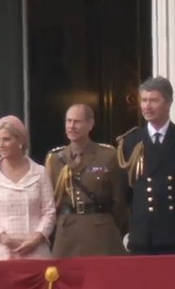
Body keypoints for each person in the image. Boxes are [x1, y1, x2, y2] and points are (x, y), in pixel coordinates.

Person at [116, 76, 175, 255]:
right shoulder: (130, 141)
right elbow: (125, 190)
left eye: (154, 100)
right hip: (144, 233)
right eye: (144, 100)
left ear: (169, 103)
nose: (147, 106)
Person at [45, 104, 128, 258]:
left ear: (90, 124)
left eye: (77, 121)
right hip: (66, 235)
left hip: (100, 232)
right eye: (68, 121)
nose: (71, 126)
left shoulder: (108, 156)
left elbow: (120, 201)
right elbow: (50, 201)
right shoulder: (55, 159)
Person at [0, 115, 56, 261]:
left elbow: (49, 212)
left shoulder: (40, 172)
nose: (1, 145)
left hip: (36, 251)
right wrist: (5, 239)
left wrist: (36, 238)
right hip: (0, 252)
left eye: (6, 139)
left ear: (20, 141)